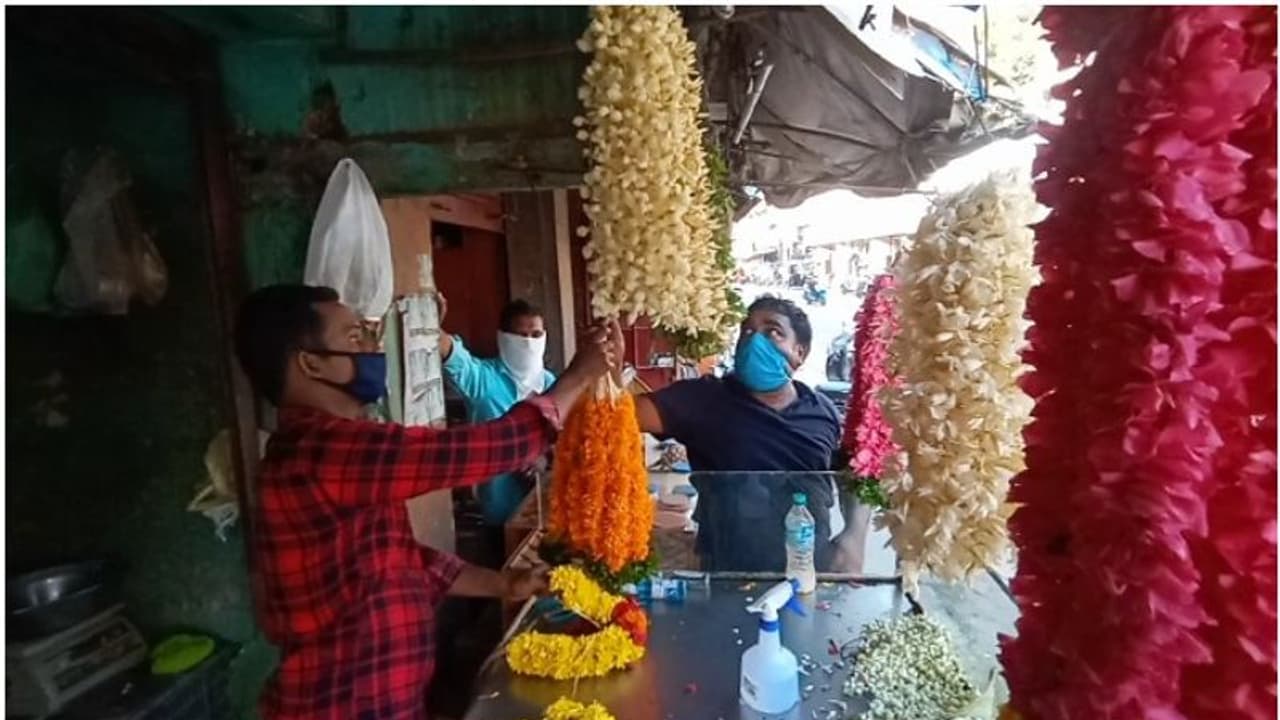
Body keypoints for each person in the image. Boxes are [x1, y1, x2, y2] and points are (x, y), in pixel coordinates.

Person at [233, 284, 618, 720]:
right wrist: (578, 378)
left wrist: (504, 585)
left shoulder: (336, 452)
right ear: (310, 363)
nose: (373, 347)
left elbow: (400, 560)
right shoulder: (320, 449)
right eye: (355, 336)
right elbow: (489, 449)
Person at [631, 295, 870, 573]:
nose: (754, 340)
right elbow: (620, 416)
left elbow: (858, 472)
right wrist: (597, 376)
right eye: (747, 331)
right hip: (728, 574)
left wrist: (854, 537)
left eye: (773, 332)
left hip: (809, 568)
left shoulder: (822, 411)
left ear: (799, 353)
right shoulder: (703, 399)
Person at [437, 296, 555, 526]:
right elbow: (452, 354)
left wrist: (544, 458)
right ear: (504, 338)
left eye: (536, 335)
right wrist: (432, 325)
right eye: (521, 336)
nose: (529, 344)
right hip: (499, 513)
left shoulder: (553, 385)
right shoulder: (484, 380)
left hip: (545, 512)